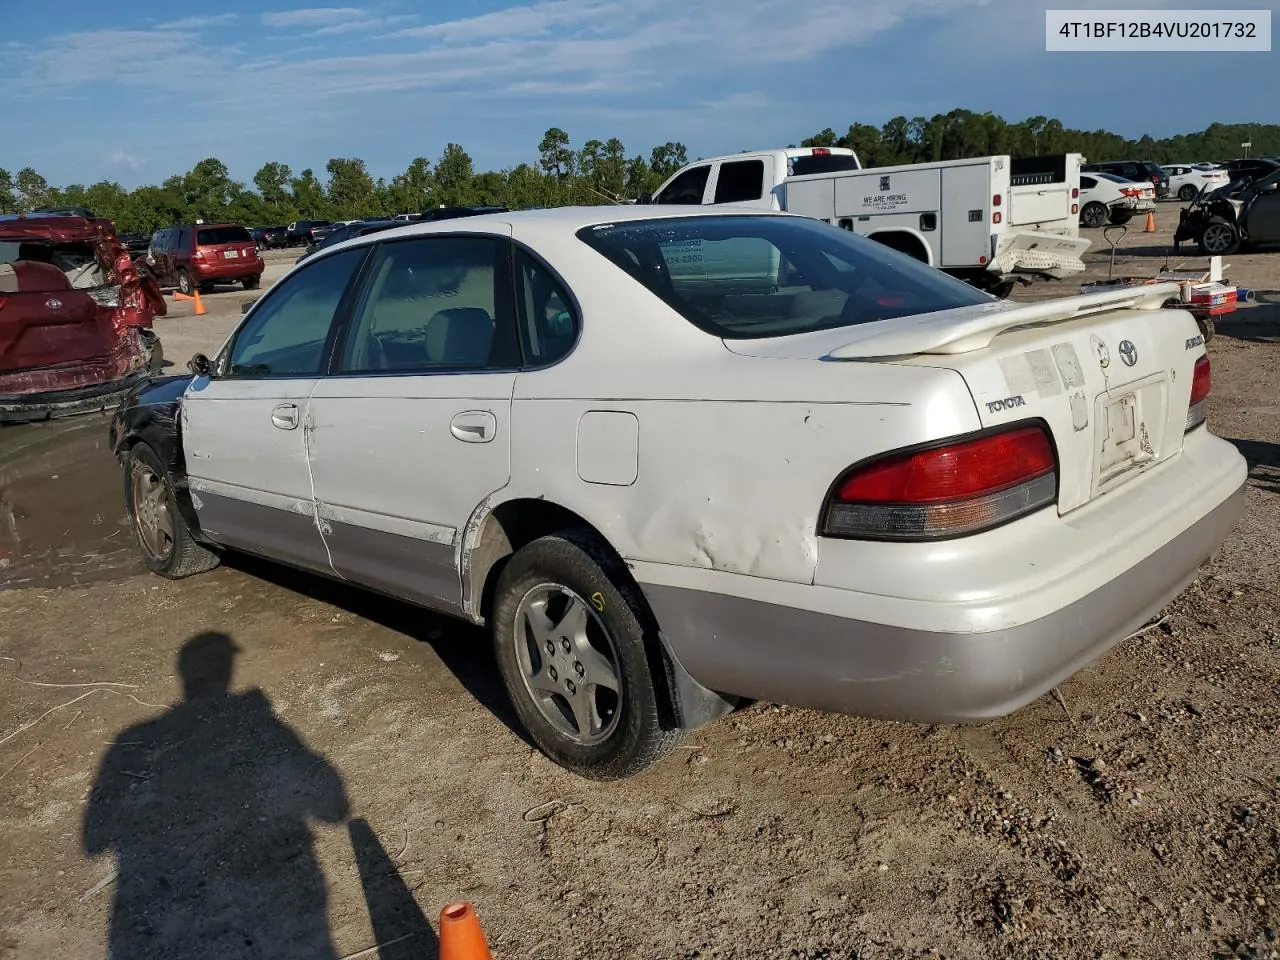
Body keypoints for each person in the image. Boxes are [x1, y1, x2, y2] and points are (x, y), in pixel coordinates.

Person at [83, 632, 349, 959]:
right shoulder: (260, 722)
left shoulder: (135, 738)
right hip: (275, 906)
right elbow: (335, 810)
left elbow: (93, 840)